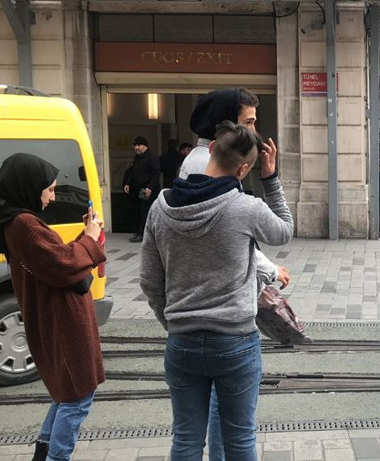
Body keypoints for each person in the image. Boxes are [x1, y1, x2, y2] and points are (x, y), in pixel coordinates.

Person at [140, 121, 293, 460]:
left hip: (182, 342)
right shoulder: (245, 208)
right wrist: (269, 178)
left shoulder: (160, 207)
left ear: (210, 150)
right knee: (239, 440)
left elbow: (150, 281)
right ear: (242, 169)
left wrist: (176, 323)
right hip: (235, 342)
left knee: (185, 440)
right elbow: (284, 230)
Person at [184, 86, 288, 461]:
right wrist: (269, 269)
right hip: (229, 327)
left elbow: (152, 276)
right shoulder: (209, 166)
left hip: (189, 328)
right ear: (222, 129)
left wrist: (173, 316)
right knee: (240, 433)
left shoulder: (194, 172)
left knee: (190, 434)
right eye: (248, 121)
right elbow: (263, 230)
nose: (255, 131)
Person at [0, 153, 105, 461]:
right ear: (29, 187)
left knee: (67, 393)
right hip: (62, 322)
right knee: (77, 397)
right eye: (48, 189)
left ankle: (44, 453)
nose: (52, 196)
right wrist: (90, 237)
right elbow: (63, 265)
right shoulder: (24, 223)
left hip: (56, 318)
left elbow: (55, 258)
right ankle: (55, 458)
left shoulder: (21, 221)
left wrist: (84, 236)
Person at [179, 87, 258, 180]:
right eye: (248, 122)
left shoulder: (209, 159)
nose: (253, 130)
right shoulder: (208, 164)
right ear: (227, 121)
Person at [122, 136, 160, 242]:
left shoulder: (152, 157)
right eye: (135, 145)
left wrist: (149, 187)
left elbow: (156, 173)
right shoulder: (137, 158)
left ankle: (143, 233)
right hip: (138, 189)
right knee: (139, 210)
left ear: (145, 146)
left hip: (147, 190)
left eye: (139, 145)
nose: (136, 148)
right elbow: (133, 171)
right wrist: (128, 183)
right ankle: (140, 231)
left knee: (145, 210)